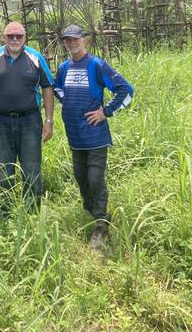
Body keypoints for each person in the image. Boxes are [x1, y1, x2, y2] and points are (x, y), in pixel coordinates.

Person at [53, 24, 133, 249]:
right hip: (74, 135)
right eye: (67, 40)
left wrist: (105, 112)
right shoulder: (64, 67)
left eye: (75, 39)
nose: (72, 43)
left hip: (95, 136)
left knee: (95, 178)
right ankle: (93, 211)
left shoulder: (96, 65)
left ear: (84, 40)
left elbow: (125, 89)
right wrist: (66, 100)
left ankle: (101, 223)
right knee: (80, 177)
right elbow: (56, 87)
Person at [0, 22, 54, 208]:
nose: (14, 39)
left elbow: (48, 87)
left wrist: (49, 120)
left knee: (31, 168)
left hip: (30, 121)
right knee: (3, 169)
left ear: (24, 37)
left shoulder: (35, 57)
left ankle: (32, 212)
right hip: (1, 121)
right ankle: (6, 212)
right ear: (3, 37)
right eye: (10, 36)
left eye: (18, 36)